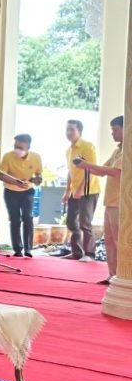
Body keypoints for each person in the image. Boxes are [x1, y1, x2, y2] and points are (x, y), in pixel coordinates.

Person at [74, 116, 123, 282]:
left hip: (121, 203)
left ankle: (123, 276)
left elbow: (115, 172)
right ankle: (112, 275)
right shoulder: (118, 150)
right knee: (109, 241)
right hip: (111, 202)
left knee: (119, 241)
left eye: (115, 129)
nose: (112, 133)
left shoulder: (128, 150)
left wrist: (86, 165)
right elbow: (102, 171)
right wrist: (84, 165)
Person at [0, 134, 43, 258]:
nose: (17, 149)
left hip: (28, 190)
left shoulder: (36, 157)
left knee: (28, 217)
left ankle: (28, 249)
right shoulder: (8, 157)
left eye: (21, 147)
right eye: (15, 146)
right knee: (15, 219)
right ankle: (17, 249)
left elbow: (38, 176)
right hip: (10, 191)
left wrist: (36, 179)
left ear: (28, 147)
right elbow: (1, 175)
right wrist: (15, 182)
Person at [63, 119, 100, 261]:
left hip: (89, 190)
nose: (68, 132)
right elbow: (70, 172)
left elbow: (91, 169)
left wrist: (80, 189)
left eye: (72, 130)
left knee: (85, 223)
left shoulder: (87, 146)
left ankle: (89, 254)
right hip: (74, 191)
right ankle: (77, 252)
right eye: (67, 129)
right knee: (71, 222)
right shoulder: (69, 150)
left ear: (79, 131)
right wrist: (67, 191)